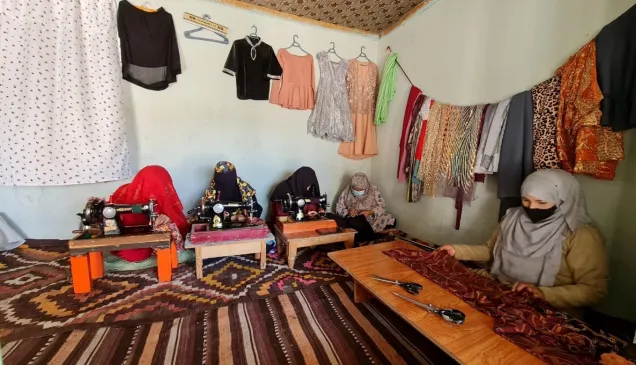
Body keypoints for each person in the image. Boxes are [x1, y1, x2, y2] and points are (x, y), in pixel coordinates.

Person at [439, 170, 608, 312]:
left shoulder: (580, 234)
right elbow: (491, 250)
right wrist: (456, 250)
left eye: (541, 202)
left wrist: (542, 294)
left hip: (543, 310)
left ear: (563, 201)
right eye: (526, 200)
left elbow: (593, 289)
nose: (532, 208)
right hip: (500, 289)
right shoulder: (513, 217)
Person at [109, 165, 188, 262]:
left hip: (151, 239)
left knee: (167, 243)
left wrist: (169, 219)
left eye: (157, 190)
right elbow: (108, 213)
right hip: (128, 236)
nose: (153, 196)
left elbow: (181, 224)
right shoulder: (122, 193)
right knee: (132, 252)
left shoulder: (164, 195)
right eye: (150, 189)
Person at [192, 161, 263, 222]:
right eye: (221, 183)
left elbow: (256, 208)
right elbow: (206, 214)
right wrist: (233, 218)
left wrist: (249, 217)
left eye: (229, 182)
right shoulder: (211, 192)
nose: (225, 186)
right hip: (219, 228)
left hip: (243, 224)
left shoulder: (244, 188)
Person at [334, 173, 395, 242]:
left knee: (390, 217)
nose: (357, 192)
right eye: (355, 190)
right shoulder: (347, 191)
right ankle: (375, 235)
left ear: (366, 187)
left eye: (360, 190)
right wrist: (348, 212)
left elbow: (383, 206)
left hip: (373, 220)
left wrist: (370, 212)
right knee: (348, 222)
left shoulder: (373, 190)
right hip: (355, 220)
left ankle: (373, 233)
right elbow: (338, 208)